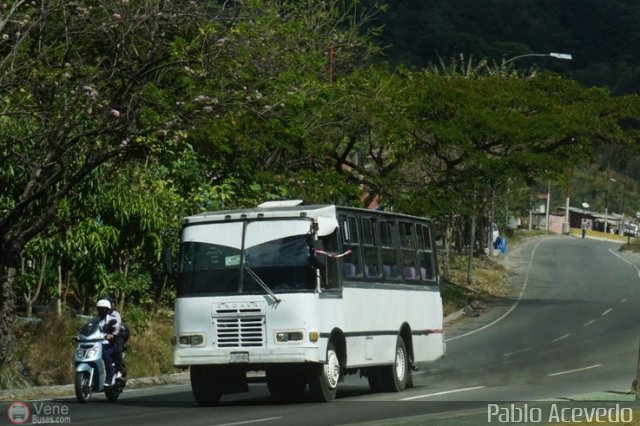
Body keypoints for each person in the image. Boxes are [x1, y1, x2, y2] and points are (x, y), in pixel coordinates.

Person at [96, 297, 127, 386]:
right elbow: (91, 325)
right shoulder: (98, 318)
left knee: (108, 352)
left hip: (116, 337)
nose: (101, 310)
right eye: (100, 309)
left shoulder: (114, 314)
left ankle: (114, 374)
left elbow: (117, 325)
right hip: (103, 339)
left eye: (103, 309)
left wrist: (113, 334)